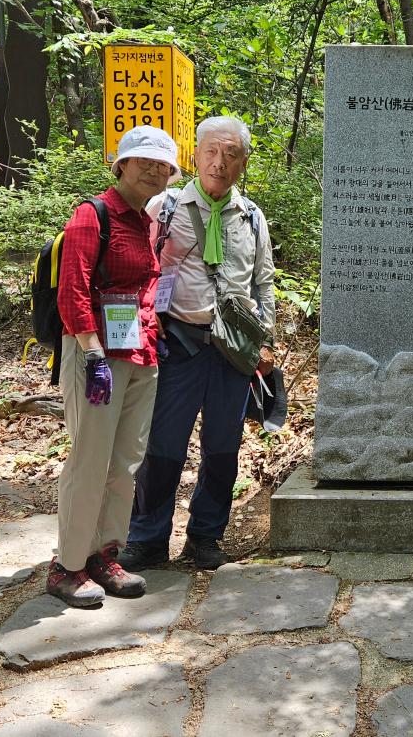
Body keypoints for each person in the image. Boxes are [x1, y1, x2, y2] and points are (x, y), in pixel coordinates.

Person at [118, 116, 275, 571]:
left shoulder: (252, 216)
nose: (219, 163)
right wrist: (145, 319)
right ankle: (147, 537)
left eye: (231, 154)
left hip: (233, 351)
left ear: (243, 162)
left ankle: (206, 537)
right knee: (163, 448)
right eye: (211, 152)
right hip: (177, 344)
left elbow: (262, 283)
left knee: (223, 449)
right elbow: (134, 266)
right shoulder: (162, 207)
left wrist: (266, 338)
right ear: (194, 156)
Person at [48, 125, 179, 607]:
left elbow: (145, 284)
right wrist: (91, 351)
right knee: (90, 460)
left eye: (163, 164)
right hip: (96, 357)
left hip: (140, 355)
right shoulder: (93, 215)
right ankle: (68, 565)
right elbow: (72, 290)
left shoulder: (149, 222)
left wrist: (151, 329)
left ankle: (105, 554)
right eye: (144, 160)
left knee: (125, 463)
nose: (154, 169)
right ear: (120, 164)